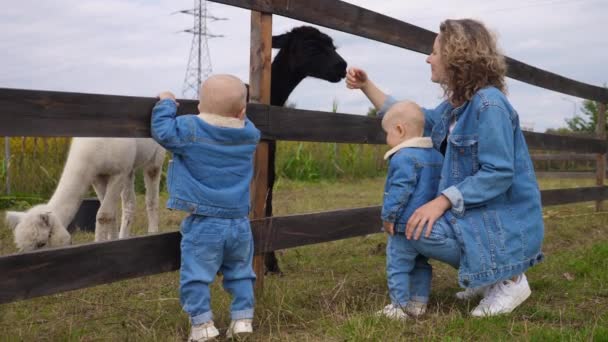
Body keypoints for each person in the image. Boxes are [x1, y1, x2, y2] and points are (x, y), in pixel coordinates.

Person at [347, 19, 544, 317]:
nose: (428, 58)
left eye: (434, 51)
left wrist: (440, 202)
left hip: (502, 222)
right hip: (478, 216)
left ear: (456, 56)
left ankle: (510, 278)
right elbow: (410, 117)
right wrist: (366, 86)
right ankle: (488, 274)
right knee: (410, 225)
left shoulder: (490, 105)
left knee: (416, 227)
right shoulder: (455, 107)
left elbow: (498, 173)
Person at [151, 74, 260, 340]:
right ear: (242, 111)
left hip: (204, 222)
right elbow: (244, 121)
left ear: (200, 106)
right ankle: (243, 319)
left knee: (197, 275)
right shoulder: (249, 135)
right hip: (239, 223)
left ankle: (202, 325)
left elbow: (163, 132)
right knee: (241, 272)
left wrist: (166, 103)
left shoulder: (190, 129)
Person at [377, 101, 443, 320]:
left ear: (399, 130)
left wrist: (388, 217)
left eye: (387, 133)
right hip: (427, 225)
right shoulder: (436, 156)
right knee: (421, 263)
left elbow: (400, 191)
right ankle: (419, 301)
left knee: (398, 264)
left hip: (404, 226)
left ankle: (399, 306)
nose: (387, 139)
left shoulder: (403, 157)